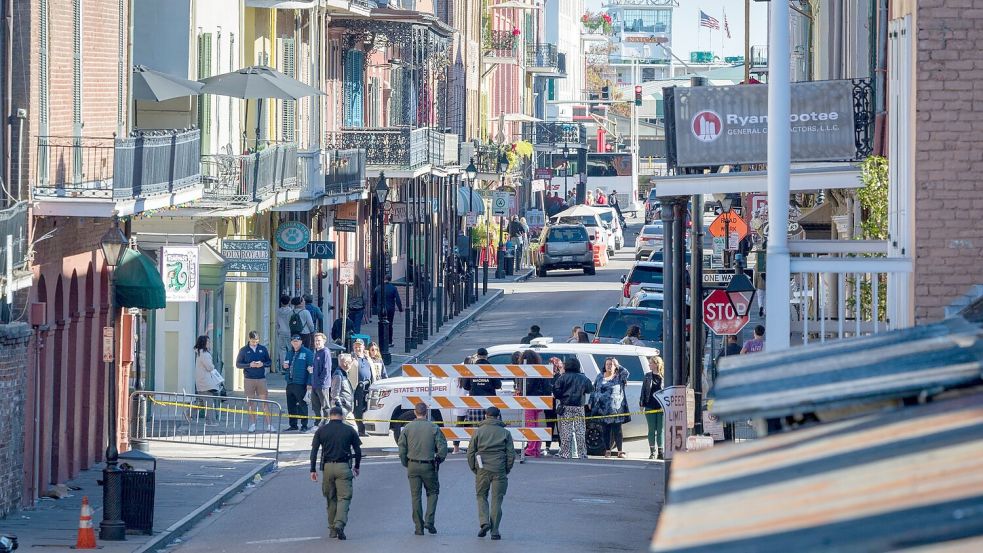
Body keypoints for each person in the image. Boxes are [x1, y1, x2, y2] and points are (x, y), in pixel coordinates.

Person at [310, 406, 362, 541]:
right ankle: (339, 523)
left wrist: (312, 470)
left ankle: (332, 529)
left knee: (330, 498)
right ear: (342, 416)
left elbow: (314, 451)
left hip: (327, 468)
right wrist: (356, 466)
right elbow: (358, 451)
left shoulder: (321, 430)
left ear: (329, 416)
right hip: (343, 467)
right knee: (344, 498)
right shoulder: (349, 430)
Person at [398, 402, 448, 536]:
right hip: (428, 465)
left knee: (416, 496)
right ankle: (429, 521)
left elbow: (401, 449)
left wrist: (405, 463)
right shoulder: (433, 427)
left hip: (412, 465)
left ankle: (418, 527)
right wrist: (439, 459)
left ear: (415, 412)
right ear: (426, 413)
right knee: (433, 492)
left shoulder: (407, 428)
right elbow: (442, 447)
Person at [467, 407, 516, 541]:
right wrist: (506, 469)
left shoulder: (478, 432)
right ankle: (495, 531)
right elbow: (511, 454)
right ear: (498, 416)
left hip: (482, 468)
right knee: (497, 500)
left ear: (485, 416)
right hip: (499, 469)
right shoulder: (505, 433)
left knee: (481, 496)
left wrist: (474, 469)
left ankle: (484, 522)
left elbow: (470, 452)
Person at [552, 357, 593, 458]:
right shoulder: (583, 378)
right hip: (579, 406)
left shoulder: (562, 377)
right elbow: (590, 389)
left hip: (565, 406)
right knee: (580, 430)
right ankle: (582, 454)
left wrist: (561, 396)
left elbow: (556, 392)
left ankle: (565, 453)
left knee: (566, 431)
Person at [590, 357, 631, 458]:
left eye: (611, 364)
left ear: (615, 367)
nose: (609, 366)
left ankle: (620, 451)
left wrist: (617, 364)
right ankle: (607, 450)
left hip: (616, 409)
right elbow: (594, 389)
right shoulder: (599, 376)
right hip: (602, 409)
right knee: (605, 430)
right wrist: (591, 401)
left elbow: (626, 372)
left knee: (617, 430)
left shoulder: (619, 376)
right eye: (607, 364)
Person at [235, 331, 273, 433]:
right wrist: (249, 365)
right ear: (249, 339)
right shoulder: (243, 350)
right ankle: (252, 424)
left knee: (265, 402)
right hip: (249, 379)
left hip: (261, 378)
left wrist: (262, 364)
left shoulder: (263, 349)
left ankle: (269, 425)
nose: (255, 343)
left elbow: (269, 362)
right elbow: (238, 364)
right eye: (253, 341)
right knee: (250, 403)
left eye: (256, 341)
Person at [352, 339, 385, 436]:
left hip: (369, 388)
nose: (358, 348)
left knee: (367, 409)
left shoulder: (368, 359)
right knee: (357, 410)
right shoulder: (352, 358)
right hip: (357, 389)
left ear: (363, 347)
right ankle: (360, 430)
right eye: (356, 347)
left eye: (360, 346)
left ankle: (366, 428)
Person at [283, 335, 314, 432]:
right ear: (291, 342)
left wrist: (309, 383)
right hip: (290, 382)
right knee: (291, 404)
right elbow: (286, 366)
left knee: (302, 404)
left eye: (297, 341)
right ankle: (293, 425)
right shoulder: (289, 353)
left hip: (301, 383)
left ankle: (304, 425)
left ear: (301, 342)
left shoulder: (307, 353)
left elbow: (311, 369)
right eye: (293, 341)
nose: (295, 343)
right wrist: (284, 367)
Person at [520, 349, 547, 457]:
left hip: (530, 400)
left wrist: (521, 391)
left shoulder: (528, 371)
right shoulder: (539, 369)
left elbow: (528, 387)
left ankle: (531, 449)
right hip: (539, 400)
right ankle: (536, 448)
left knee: (530, 424)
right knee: (536, 424)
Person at [194, 335, 223, 424]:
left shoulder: (200, 353)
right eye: (208, 342)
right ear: (204, 343)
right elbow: (209, 367)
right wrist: (213, 366)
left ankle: (188, 413)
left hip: (202, 381)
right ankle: (211, 421)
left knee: (202, 402)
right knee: (209, 403)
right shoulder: (204, 354)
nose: (210, 343)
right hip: (205, 382)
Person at [640, 356, 665, 460]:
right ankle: (652, 452)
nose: (649, 365)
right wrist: (641, 403)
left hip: (662, 406)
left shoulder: (664, 376)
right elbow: (643, 391)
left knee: (660, 429)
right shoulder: (647, 376)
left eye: (651, 363)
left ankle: (660, 451)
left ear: (656, 364)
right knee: (651, 429)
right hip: (650, 405)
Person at [374, 276, 404, 347]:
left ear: (383, 279)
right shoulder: (393, 288)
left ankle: (381, 341)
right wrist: (400, 309)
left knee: (381, 324)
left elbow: (374, 299)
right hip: (390, 309)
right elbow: (398, 300)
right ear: (390, 280)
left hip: (380, 309)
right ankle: (389, 341)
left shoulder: (378, 287)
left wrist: (376, 306)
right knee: (390, 325)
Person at [310, 333, 332, 427]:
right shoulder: (316, 352)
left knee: (325, 405)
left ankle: (327, 423)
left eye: (319, 340)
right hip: (314, 384)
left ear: (324, 341)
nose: (317, 342)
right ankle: (317, 423)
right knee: (315, 405)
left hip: (322, 385)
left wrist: (320, 382)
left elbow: (326, 369)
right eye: (316, 341)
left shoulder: (325, 352)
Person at [331, 354, 357, 428]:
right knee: (353, 429)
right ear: (345, 363)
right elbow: (334, 393)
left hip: (347, 407)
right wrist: (340, 407)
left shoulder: (344, 374)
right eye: (350, 362)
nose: (351, 364)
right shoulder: (338, 375)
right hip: (343, 408)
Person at [275, 294, 293, 369]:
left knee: (282, 350)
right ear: (289, 302)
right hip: (289, 332)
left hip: (281, 332)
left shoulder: (278, 311)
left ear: (281, 302)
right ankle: (290, 366)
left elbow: (276, 322)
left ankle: (284, 367)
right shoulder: (291, 312)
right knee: (290, 350)